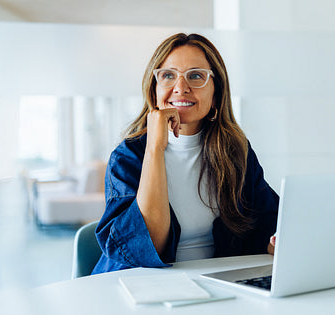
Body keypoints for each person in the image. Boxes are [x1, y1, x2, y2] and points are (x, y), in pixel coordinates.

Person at [91, 33, 279, 274]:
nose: (181, 88)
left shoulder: (236, 152)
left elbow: (266, 223)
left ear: (216, 94)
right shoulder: (128, 157)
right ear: (154, 90)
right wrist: (155, 148)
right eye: (168, 75)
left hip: (216, 282)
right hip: (139, 282)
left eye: (196, 76)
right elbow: (149, 247)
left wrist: (275, 242)